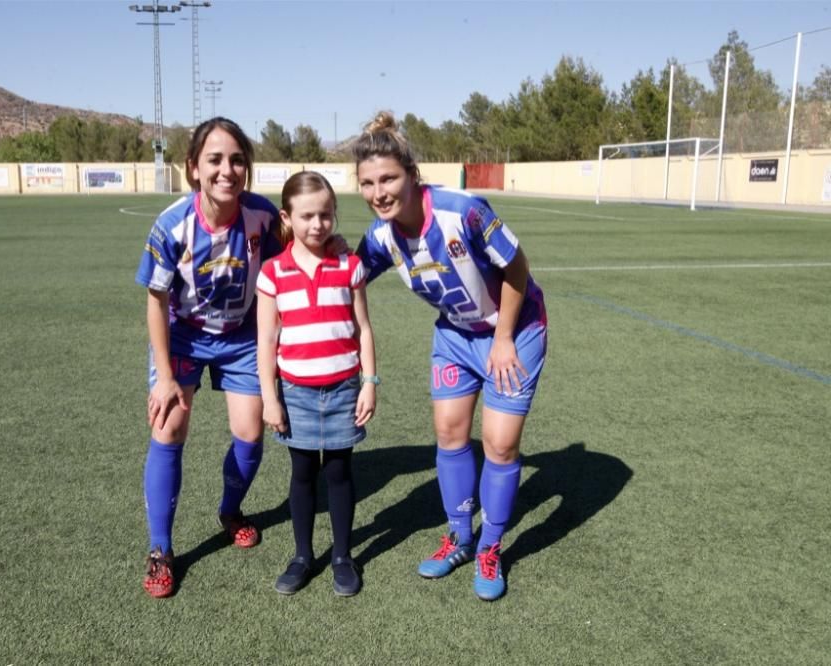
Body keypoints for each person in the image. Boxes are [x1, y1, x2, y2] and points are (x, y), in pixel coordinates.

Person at [353, 111, 548, 602]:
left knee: (499, 445)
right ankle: (460, 537)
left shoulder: (464, 211)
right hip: (456, 337)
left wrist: (503, 336)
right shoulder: (381, 237)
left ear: (412, 174)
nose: (379, 192)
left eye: (389, 178)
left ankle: (491, 546)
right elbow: (347, 274)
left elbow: (518, 267)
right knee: (449, 434)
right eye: (368, 183)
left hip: (516, 330)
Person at [134, 117, 284, 598]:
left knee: (250, 432)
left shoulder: (262, 217)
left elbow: (291, 261)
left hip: (241, 337)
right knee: (169, 426)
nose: (227, 170)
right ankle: (161, 548)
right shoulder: (172, 224)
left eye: (237, 160)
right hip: (182, 337)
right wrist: (163, 377)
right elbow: (156, 300)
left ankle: (230, 511)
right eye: (215, 160)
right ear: (193, 168)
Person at [255, 171, 378, 597]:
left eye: (326, 214)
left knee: (340, 472)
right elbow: (267, 340)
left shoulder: (350, 265)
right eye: (307, 215)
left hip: (344, 388)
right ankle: (303, 555)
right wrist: (270, 398)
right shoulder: (273, 272)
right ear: (287, 217)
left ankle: (342, 555)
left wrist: (369, 382)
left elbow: (363, 328)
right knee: (303, 472)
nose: (317, 224)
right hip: (296, 393)